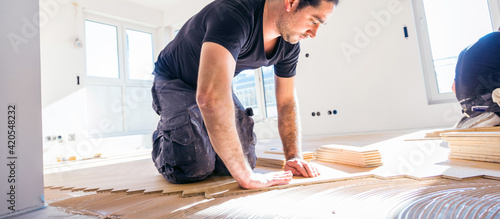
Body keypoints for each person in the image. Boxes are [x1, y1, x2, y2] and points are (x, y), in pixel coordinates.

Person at [151, 0, 337, 189]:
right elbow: (210, 97)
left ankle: (194, 127)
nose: (313, 34)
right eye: (314, 21)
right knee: (194, 166)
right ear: (291, 2)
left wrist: (294, 157)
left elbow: (286, 101)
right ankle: (166, 134)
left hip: (215, 83)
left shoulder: (289, 45)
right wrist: (247, 178)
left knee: (243, 161)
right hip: (175, 80)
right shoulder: (232, 15)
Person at [452, 26, 500, 129]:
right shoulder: (497, 39)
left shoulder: (468, 49)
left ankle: (480, 115)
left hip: (469, 108)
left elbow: (454, 87)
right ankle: (490, 114)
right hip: (487, 102)